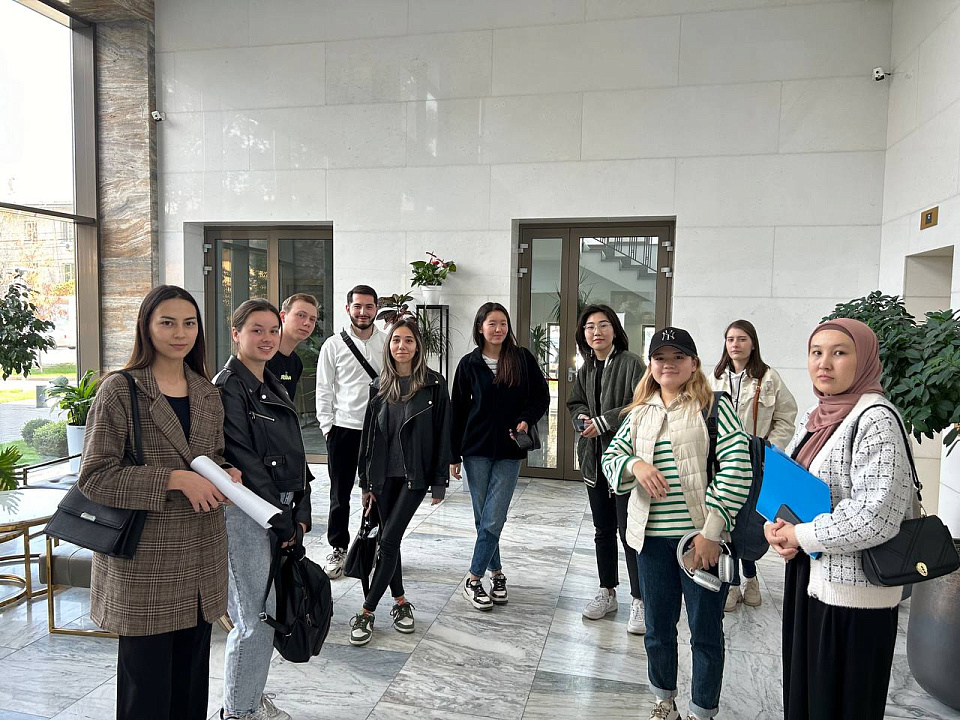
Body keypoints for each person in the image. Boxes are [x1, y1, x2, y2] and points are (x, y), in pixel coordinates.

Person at [77, 285, 241, 720]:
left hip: (201, 558)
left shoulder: (206, 392)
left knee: (190, 689)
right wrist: (173, 479)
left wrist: (225, 473)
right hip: (146, 564)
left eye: (189, 323)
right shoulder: (120, 389)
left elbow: (210, 455)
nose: (179, 333)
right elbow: (95, 477)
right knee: (146, 695)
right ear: (146, 327)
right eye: (167, 322)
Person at [765, 319, 913, 720]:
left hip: (853, 597)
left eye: (839, 352)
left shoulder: (876, 419)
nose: (824, 363)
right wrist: (777, 526)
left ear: (863, 360)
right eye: (816, 352)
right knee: (807, 697)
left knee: (842, 703)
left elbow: (876, 515)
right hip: (810, 578)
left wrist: (801, 534)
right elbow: (795, 484)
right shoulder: (818, 416)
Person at [602, 327, 752, 720]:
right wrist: (634, 464)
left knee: (705, 632)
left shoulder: (713, 407)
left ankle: (702, 711)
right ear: (650, 365)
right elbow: (611, 459)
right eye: (660, 358)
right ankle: (663, 701)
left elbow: (737, 467)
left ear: (694, 363)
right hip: (651, 541)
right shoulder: (639, 412)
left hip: (701, 542)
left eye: (678, 357)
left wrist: (712, 533)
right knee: (657, 629)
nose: (668, 365)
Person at [216, 299, 312, 720]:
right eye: (256, 330)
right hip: (249, 513)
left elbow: (294, 451)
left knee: (265, 613)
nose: (267, 338)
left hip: (276, 511)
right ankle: (239, 711)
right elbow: (245, 458)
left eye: (273, 330)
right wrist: (281, 518)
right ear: (236, 333)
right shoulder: (228, 387)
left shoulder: (271, 380)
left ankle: (249, 699)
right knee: (254, 617)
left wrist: (301, 506)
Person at [349, 318, 452, 645]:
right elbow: (368, 438)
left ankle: (366, 612)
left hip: (414, 477)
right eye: (396, 340)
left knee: (389, 541)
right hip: (382, 477)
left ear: (418, 346)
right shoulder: (378, 385)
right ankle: (401, 601)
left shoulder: (434, 385)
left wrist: (439, 480)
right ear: (389, 345)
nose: (402, 346)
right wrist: (365, 483)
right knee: (388, 541)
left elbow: (443, 433)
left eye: (408, 340)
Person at [451, 302, 549, 611]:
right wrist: (453, 455)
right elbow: (457, 411)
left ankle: (473, 578)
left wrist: (526, 418)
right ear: (480, 327)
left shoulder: (521, 359)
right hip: (475, 450)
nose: (498, 329)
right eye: (492, 323)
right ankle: (497, 573)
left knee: (494, 516)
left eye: (503, 323)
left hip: (509, 450)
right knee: (483, 518)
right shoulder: (468, 364)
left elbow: (541, 395)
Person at [565, 304, 647, 634]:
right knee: (602, 530)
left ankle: (639, 599)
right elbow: (574, 403)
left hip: (625, 463)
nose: (596, 332)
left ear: (615, 329)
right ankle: (607, 591)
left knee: (630, 533)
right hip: (594, 461)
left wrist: (605, 421)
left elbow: (642, 404)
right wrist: (582, 418)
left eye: (603, 325)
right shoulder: (585, 368)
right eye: (589, 327)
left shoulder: (631, 363)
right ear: (583, 334)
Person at [709, 319, 797, 611]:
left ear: (753, 343)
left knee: (751, 524)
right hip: (723, 463)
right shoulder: (715, 378)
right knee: (728, 523)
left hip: (757, 462)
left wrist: (769, 448)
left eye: (742, 339)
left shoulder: (768, 377)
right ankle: (733, 584)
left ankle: (751, 577)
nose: (735, 344)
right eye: (730, 339)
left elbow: (786, 416)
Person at [316, 285, 386, 579]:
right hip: (343, 429)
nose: (363, 312)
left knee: (377, 492)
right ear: (348, 309)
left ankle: (374, 546)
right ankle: (339, 547)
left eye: (369, 306)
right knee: (340, 493)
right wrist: (327, 427)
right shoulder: (333, 345)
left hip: (378, 429)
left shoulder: (387, 342)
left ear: (376, 309)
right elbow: (324, 387)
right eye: (357, 306)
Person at [266, 292, 319, 400]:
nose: (307, 323)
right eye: (301, 315)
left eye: (312, 319)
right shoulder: (263, 355)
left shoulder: (296, 363)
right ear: (283, 316)